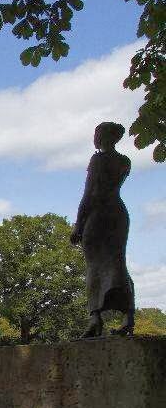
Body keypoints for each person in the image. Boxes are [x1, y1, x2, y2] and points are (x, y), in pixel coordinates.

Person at [70, 121, 136, 337]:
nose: (94, 138)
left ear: (104, 136)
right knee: (118, 263)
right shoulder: (124, 161)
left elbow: (91, 192)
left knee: (94, 267)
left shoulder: (98, 159)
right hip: (118, 213)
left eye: (97, 133)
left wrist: (79, 224)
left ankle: (95, 318)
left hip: (98, 216)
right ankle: (128, 316)